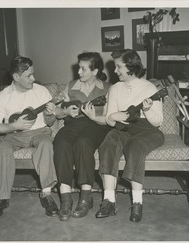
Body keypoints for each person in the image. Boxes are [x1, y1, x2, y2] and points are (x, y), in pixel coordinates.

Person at [95, 49, 164, 223]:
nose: (115, 71)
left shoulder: (150, 88)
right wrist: (113, 117)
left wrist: (147, 111)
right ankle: (109, 200)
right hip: (123, 127)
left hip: (147, 129)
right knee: (109, 143)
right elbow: (110, 119)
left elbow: (157, 122)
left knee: (135, 146)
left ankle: (137, 203)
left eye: (119, 67)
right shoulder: (115, 88)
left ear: (131, 67)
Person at [0, 56, 58, 218]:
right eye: (29, 76)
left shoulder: (41, 91)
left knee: (46, 144)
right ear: (16, 77)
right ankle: (2, 198)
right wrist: (14, 126)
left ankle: (47, 194)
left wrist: (50, 113)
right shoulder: (2, 96)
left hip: (40, 132)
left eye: (33, 74)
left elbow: (50, 122)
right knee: (0, 148)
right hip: (13, 136)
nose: (34, 78)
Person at [53, 52, 111, 221]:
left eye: (83, 68)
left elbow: (109, 116)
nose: (78, 72)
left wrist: (96, 116)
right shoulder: (71, 86)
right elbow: (56, 112)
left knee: (83, 142)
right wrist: (65, 111)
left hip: (97, 125)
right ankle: (66, 198)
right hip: (73, 124)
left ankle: (86, 197)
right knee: (61, 141)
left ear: (95, 71)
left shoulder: (107, 88)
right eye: (78, 67)